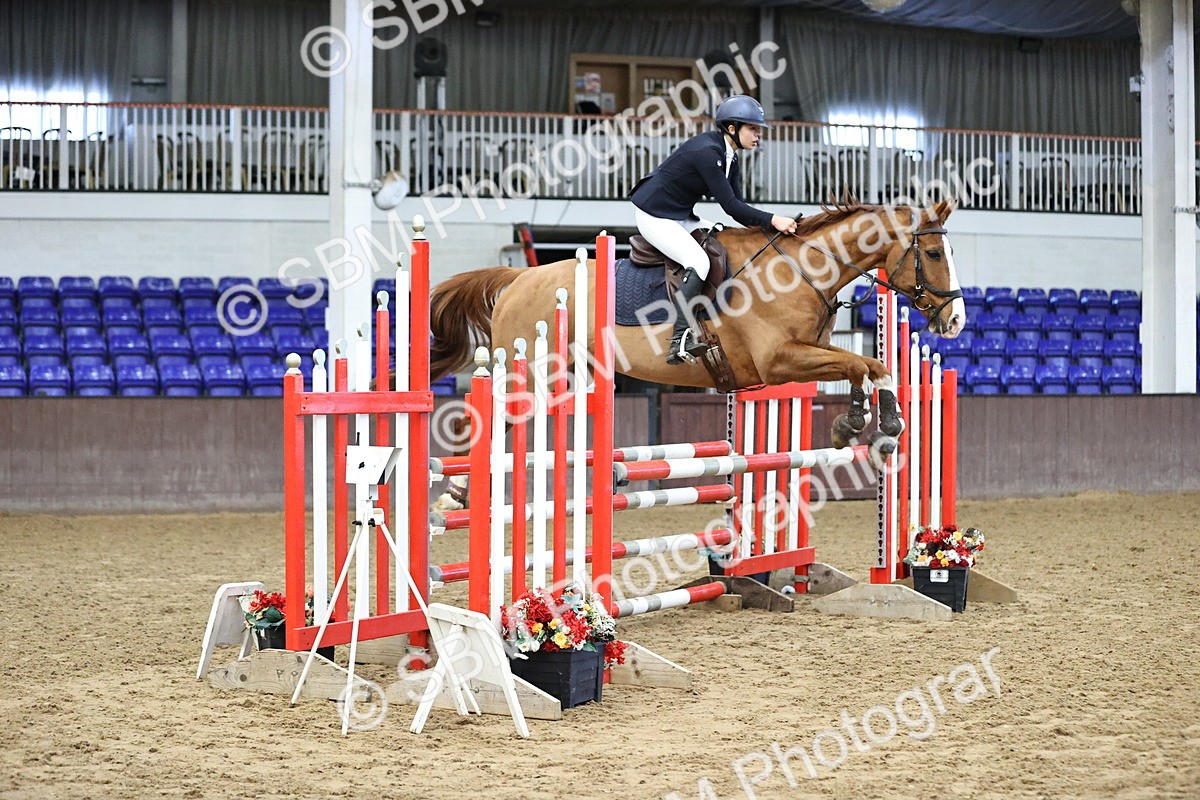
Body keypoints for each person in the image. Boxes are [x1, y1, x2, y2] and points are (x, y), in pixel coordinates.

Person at [631, 94, 798, 365]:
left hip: (680, 213)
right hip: (654, 215)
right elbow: (731, 206)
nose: (758, 135)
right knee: (698, 261)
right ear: (732, 129)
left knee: (723, 235)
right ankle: (679, 340)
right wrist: (772, 219)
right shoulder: (708, 153)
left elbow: (738, 208)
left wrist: (768, 229)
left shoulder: (730, 156)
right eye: (753, 129)